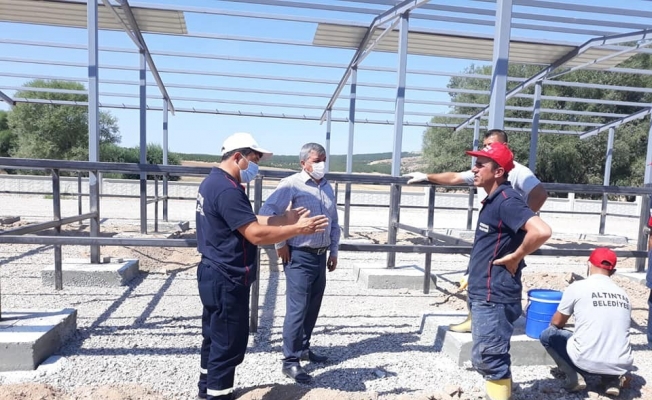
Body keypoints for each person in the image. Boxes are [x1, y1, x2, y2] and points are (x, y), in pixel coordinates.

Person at [195, 132, 329, 400]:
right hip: (226, 275)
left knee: (215, 336)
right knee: (228, 343)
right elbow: (255, 234)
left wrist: (283, 219)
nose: (255, 166)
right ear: (238, 157)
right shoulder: (227, 189)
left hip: (214, 272)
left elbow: (247, 219)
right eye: (254, 160)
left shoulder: (215, 183)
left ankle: (205, 389)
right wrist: (297, 229)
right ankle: (217, 396)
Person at [403, 129, 548, 333]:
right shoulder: (485, 171)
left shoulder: (517, 174)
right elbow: (455, 177)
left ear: (505, 148)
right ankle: (480, 319)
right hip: (492, 225)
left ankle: (497, 320)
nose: (487, 150)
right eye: (485, 145)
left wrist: (519, 222)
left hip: (503, 231)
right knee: (480, 269)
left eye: (492, 145)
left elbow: (540, 195)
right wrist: (426, 176)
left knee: (499, 275)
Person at [464, 142, 552, 400]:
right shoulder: (493, 200)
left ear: (499, 171)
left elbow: (541, 231)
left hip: (495, 294)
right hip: (484, 289)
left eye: (480, 165)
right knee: (486, 355)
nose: (474, 169)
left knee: (489, 357)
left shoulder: (506, 200)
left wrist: (516, 256)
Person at [259, 142, 341, 384]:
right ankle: (290, 361)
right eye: (316, 161)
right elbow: (268, 213)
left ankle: (304, 347)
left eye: (324, 160)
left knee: (313, 305)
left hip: (320, 255)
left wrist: (333, 251)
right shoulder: (291, 184)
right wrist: (280, 242)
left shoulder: (326, 186)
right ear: (303, 163)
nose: (321, 164)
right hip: (299, 255)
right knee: (297, 309)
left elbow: (334, 222)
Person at [539, 248, 634, 397]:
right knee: (612, 336)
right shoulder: (624, 295)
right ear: (613, 271)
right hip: (621, 364)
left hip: (585, 361)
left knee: (547, 334)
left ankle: (574, 377)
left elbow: (557, 322)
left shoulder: (577, 287)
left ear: (589, 264)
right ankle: (611, 381)